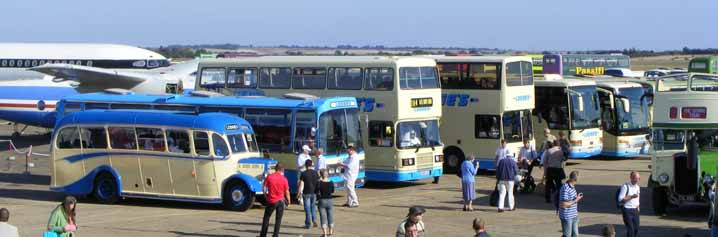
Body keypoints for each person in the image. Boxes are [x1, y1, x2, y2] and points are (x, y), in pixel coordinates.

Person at [260, 163, 291, 237]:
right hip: (281, 201)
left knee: (266, 218)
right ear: (282, 170)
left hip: (271, 200)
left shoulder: (269, 177)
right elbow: (287, 191)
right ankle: (275, 235)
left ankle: (263, 235)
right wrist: (289, 201)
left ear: (275, 168)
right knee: (278, 219)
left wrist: (266, 196)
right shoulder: (284, 179)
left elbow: (264, 188)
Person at [559, 171, 583, 237]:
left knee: (575, 235)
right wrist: (576, 200)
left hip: (574, 215)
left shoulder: (572, 187)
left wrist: (577, 198)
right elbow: (563, 204)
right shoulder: (565, 188)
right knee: (567, 235)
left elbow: (571, 200)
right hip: (567, 216)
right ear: (575, 179)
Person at [298, 159, 320, 229]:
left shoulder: (303, 173)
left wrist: (299, 193)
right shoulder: (315, 173)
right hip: (314, 193)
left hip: (306, 193)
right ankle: (314, 220)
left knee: (307, 209)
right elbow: (318, 182)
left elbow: (301, 184)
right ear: (311, 165)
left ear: (305, 165)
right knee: (313, 207)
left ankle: (308, 224)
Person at [618, 171, 641, 237]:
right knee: (631, 229)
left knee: (636, 228)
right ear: (631, 178)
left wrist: (638, 206)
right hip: (627, 210)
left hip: (635, 210)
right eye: (635, 178)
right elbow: (620, 199)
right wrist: (631, 197)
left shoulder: (637, 187)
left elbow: (638, 198)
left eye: (638, 178)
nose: (637, 180)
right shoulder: (625, 186)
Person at [316, 169, 335, 237]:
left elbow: (316, 191)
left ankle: (325, 233)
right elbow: (332, 191)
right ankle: (330, 231)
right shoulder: (331, 182)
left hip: (322, 200)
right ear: (327, 174)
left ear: (321, 175)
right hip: (330, 200)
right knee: (330, 216)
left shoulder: (319, 182)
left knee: (323, 217)